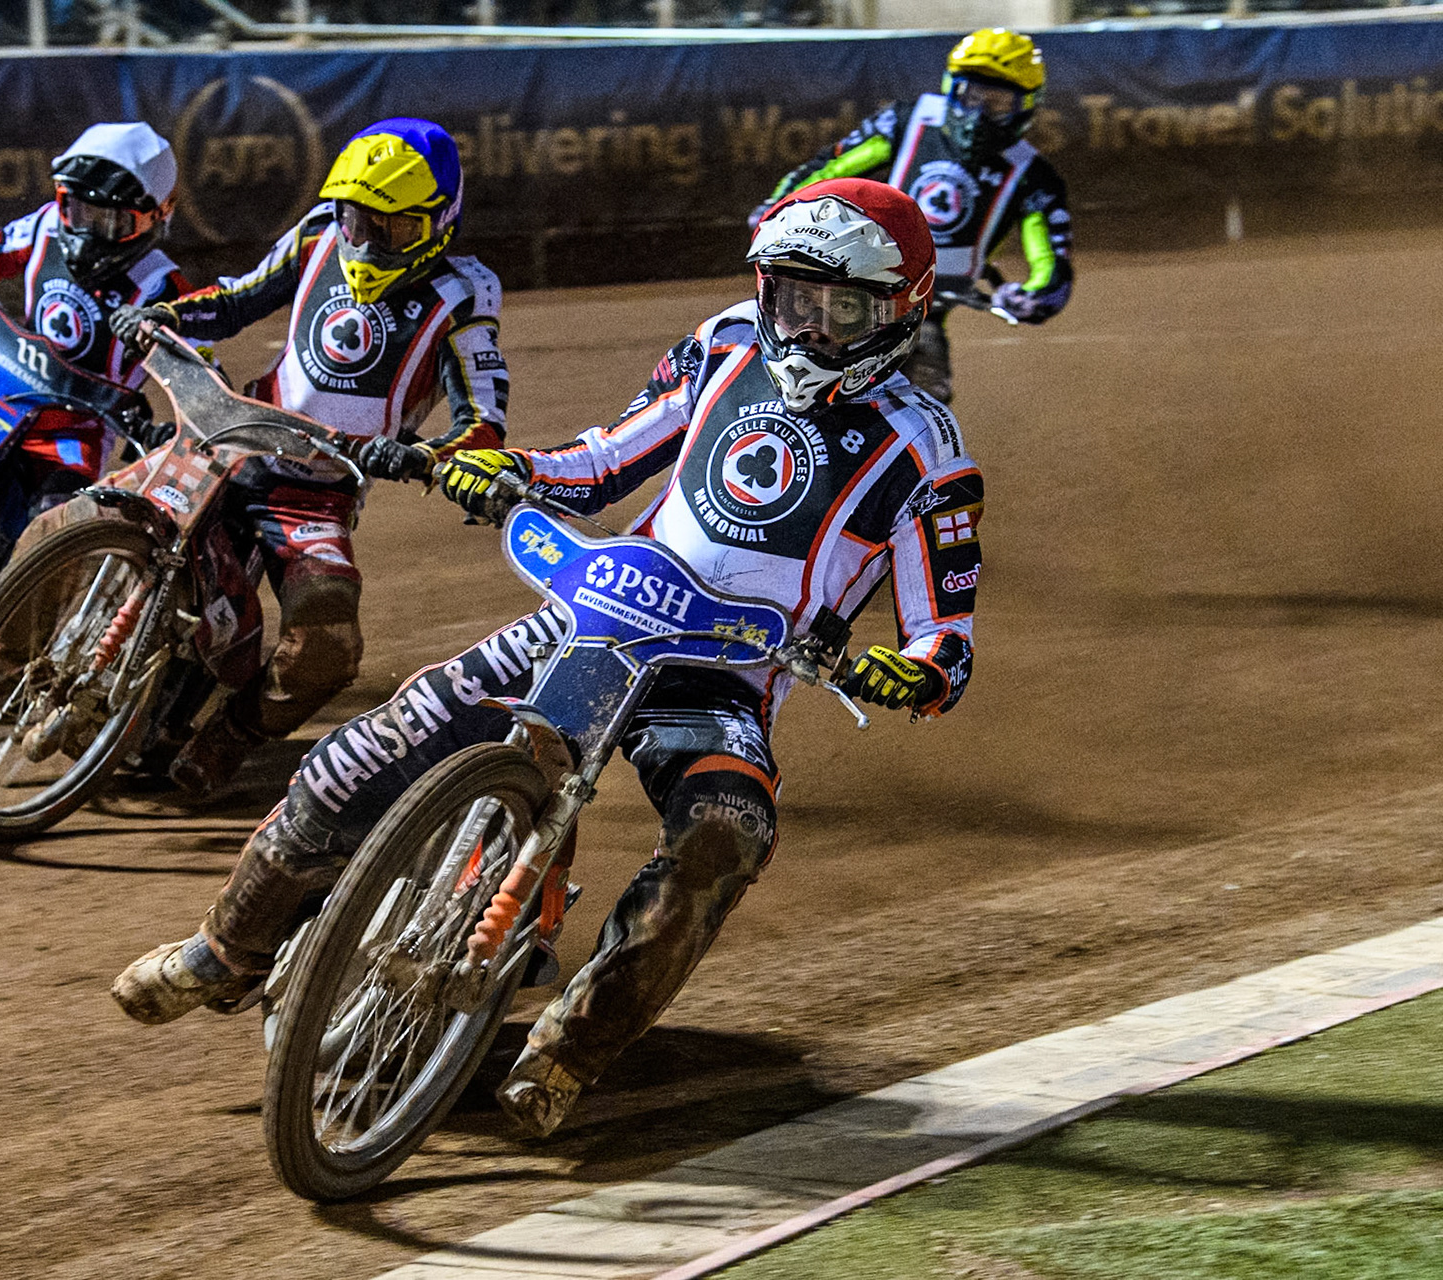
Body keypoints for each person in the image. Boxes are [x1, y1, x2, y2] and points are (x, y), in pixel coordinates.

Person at [111, 178, 984, 1138]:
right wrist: (513, 467)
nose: (807, 327)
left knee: (726, 831)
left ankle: (573, 1048)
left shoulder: (927, 451)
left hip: (722, 679)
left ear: (900, 310)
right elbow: (606, 459)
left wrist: (908, 669)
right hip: (595, 615)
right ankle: (222, 950)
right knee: (358, 757)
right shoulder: (727, 341)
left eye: (840, 308)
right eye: (792, 296)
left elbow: (946, 636)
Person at [107, 117, 509, 801]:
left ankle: (230, 734)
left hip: (319, 488)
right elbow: (238, 299)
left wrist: (428, 458)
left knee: (328, 637)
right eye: (358, 221)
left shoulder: (464, 292)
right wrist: (170, 315)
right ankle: (1, 654)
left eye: (393, 227)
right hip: (234, 434)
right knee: (101, 510)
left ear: (441, 221)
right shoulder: (319, 232)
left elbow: (483, 419)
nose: (368, 242)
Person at [751, 27, 1071, 403]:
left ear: (1026, 106)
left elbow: (1052, 260)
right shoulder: (907, 121)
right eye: (971, 94)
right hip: (852, 282)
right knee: (779, 372)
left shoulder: (1033, 175)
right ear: (951, 87)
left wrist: (1034, 296)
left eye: (997, 102)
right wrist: (777, 209)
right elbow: (831, 167)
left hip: (922, 311)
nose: (978, 113)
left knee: (925, 404)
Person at [0, 122, 191, 550]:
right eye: (78, 210)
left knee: (50, 534)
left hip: (75, 434)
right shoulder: (46, 225)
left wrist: (175, 430)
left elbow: (195, 369)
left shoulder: (163, 287)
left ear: (156, 216)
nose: (86, 232)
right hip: (5, 398)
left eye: (111, 220)